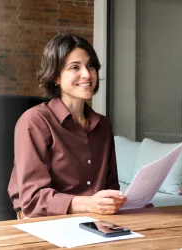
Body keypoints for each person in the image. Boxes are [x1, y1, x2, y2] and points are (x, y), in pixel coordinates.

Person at [9, 34, 125, 218]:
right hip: (46, 222)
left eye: (90, 66)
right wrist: (89, 204)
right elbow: (33, 200)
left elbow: (110, 186)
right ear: (56, 77)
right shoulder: (35, 121)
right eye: (74, 67)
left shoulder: (103, 125)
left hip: (97, 220)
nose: (87, 74)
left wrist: (114, 200)